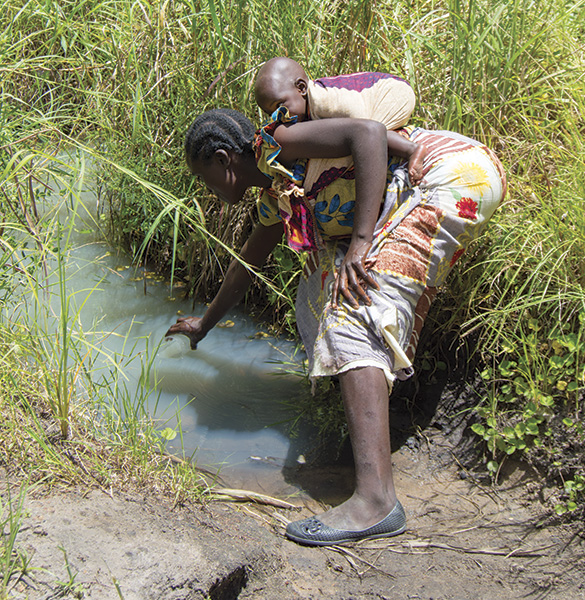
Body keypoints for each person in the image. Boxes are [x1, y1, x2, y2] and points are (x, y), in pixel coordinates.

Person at [166, 106, 506, 546]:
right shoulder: (277, 191)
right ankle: (371, 425)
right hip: (437, 179)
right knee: (320, 286)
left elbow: (367, 133)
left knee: (354, 304)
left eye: (202, 176)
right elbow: (248, 262)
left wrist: (362, 242)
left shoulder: (281, 144)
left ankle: (376, 501)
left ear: (221, 159)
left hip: (448, 173)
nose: (205, 188)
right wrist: (204, 325)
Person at [254, 57, 427, 185]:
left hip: (393, 95)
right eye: (270, 113)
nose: (277, 116)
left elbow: (361, 123)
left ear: (302, 88)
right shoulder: (305, 107)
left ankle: (412, 150)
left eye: (279, 105)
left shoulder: (326, 101)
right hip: (374, 99)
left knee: (369, 135)